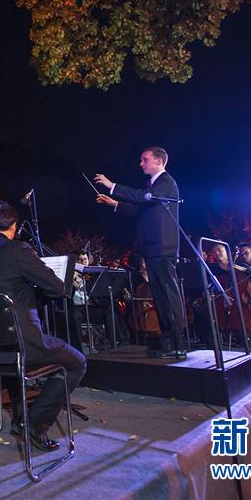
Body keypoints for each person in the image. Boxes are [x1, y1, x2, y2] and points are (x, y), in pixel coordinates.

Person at [0, 200, 87, 452]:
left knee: (14, 350)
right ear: (13, 226)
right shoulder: (18, 249)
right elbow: (57, 287)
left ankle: (21, 417)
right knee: (76, 362)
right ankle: (34, 423)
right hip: (21, 346)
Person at [95, 146, 186, 358]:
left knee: (168, 294)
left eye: (145, 159)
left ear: (159, 161)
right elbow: (139, 209)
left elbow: (143, 198)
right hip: (152, 247)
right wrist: (115, 203)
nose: (141, 163)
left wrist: (112, 186)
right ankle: (167, 340)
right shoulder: (153, 186)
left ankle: (177, 342)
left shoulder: (165, 182)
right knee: (160, 295)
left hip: (163, 247)